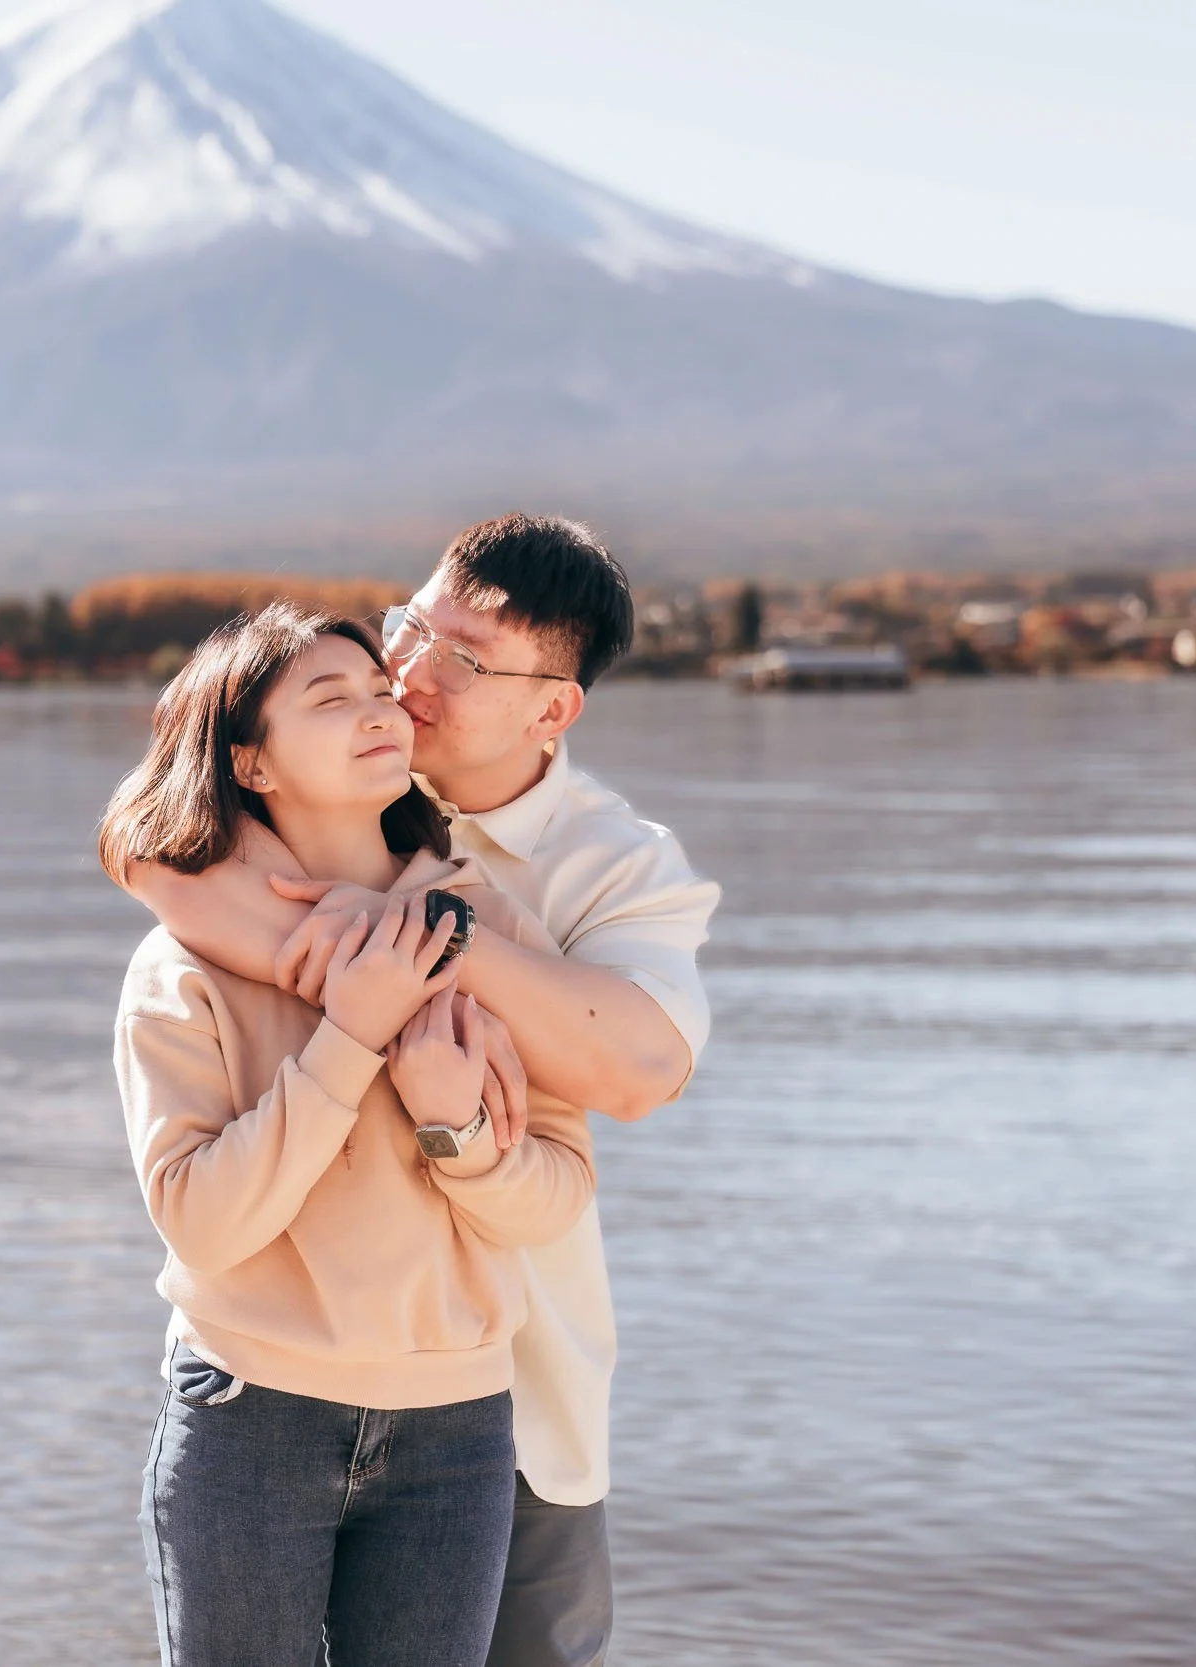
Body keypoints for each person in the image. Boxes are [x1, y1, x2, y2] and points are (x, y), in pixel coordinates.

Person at [126, 514, 720, 1667]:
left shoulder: (609, 866)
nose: (406, 675)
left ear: (552, 706)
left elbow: (639, 1070)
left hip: (509, 1391)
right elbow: (148, 838)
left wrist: (431, 935)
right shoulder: (275, 835)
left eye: (464, 659)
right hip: (277, 1377)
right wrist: (355, 991)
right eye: (411, 628)